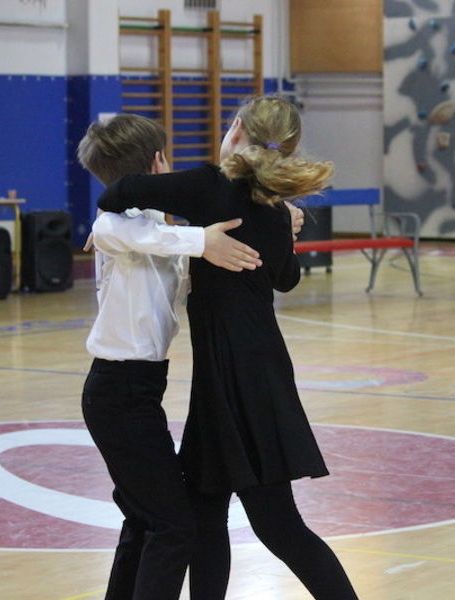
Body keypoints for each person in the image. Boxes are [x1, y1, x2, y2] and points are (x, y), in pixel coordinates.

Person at [97, 95, 359, 599]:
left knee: (278, 525)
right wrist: (277, 225)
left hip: (241, 377)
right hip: (243, 371)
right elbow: (286, 278)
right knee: (204, 513)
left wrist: (121, 231)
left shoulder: (209, 186)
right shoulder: (271, 206)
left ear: (235, 128)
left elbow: (119, 191)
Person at [76, 113, 266, 600]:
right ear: (159, 162)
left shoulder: (154, 226)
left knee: (146, 520)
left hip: (137, 391)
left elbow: (165, 244)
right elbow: (130, 232)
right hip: (118, 392)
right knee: (174, 526)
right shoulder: (114, 224)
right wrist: (202, 240)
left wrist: (283, 217)